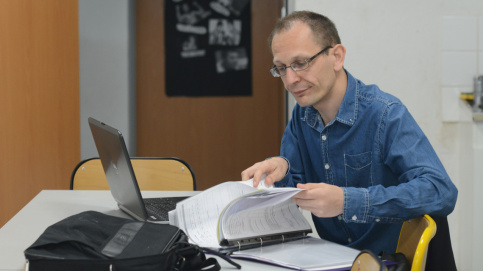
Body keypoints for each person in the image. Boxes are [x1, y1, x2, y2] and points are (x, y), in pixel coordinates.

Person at [241, 11, 458, 254]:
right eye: (281, 68)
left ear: (336, 57)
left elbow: (441, 190)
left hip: (387, 261)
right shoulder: (302, 116)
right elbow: (296, 189)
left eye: (301, 63)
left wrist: (347, 202)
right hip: (334, 258)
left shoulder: (385, 114)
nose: (290, 80)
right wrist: (280, 170)